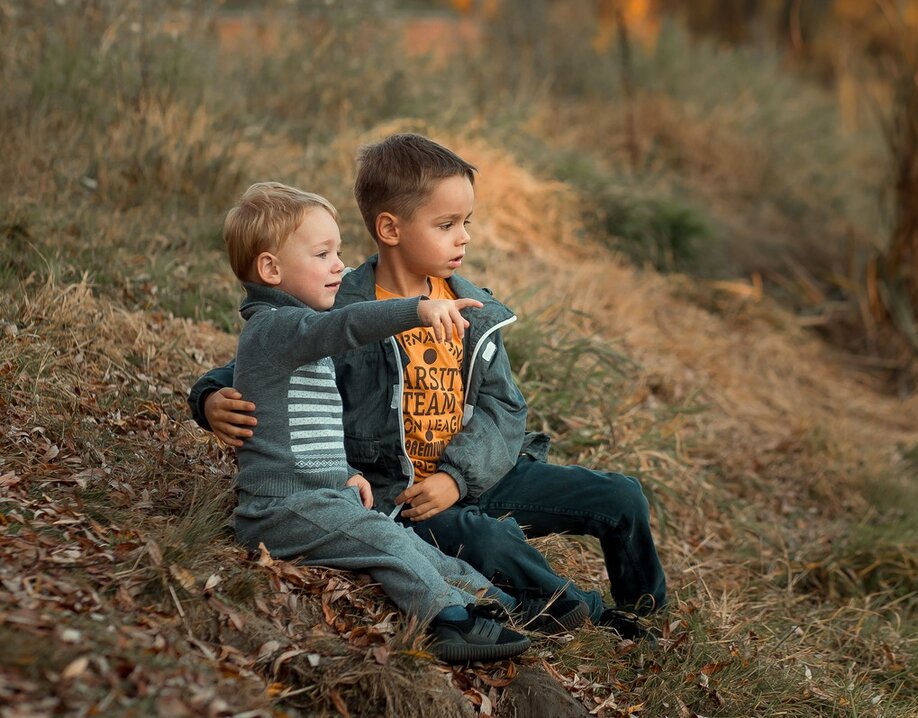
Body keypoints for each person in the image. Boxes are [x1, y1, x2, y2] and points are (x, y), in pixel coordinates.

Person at [190, 135, 666, 639]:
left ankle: (646, 608)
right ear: (390, 228)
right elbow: (260, 359)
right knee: (491, 541)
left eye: (466, 224)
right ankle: (589, 615)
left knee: (621, 497)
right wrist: (209, 398)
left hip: (476, 473)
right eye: (446, 225)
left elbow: (503, 408)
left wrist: (458, 479)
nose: (463, 239)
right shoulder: (336, 303)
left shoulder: (472, 309)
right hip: (406, 494)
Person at [214, 181, 576, 664]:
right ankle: (447, 622)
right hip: (279, 509)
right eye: (323, 254)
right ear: (270, 269)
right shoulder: (276, 327)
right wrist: (416, 310)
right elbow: (345, 325)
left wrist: (343, 472)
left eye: (338, 251)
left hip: (320, 495)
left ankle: (499, 606)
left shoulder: (299, 336)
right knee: (386, 541)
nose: (340, 265)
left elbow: (299, 429)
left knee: (415, 546)